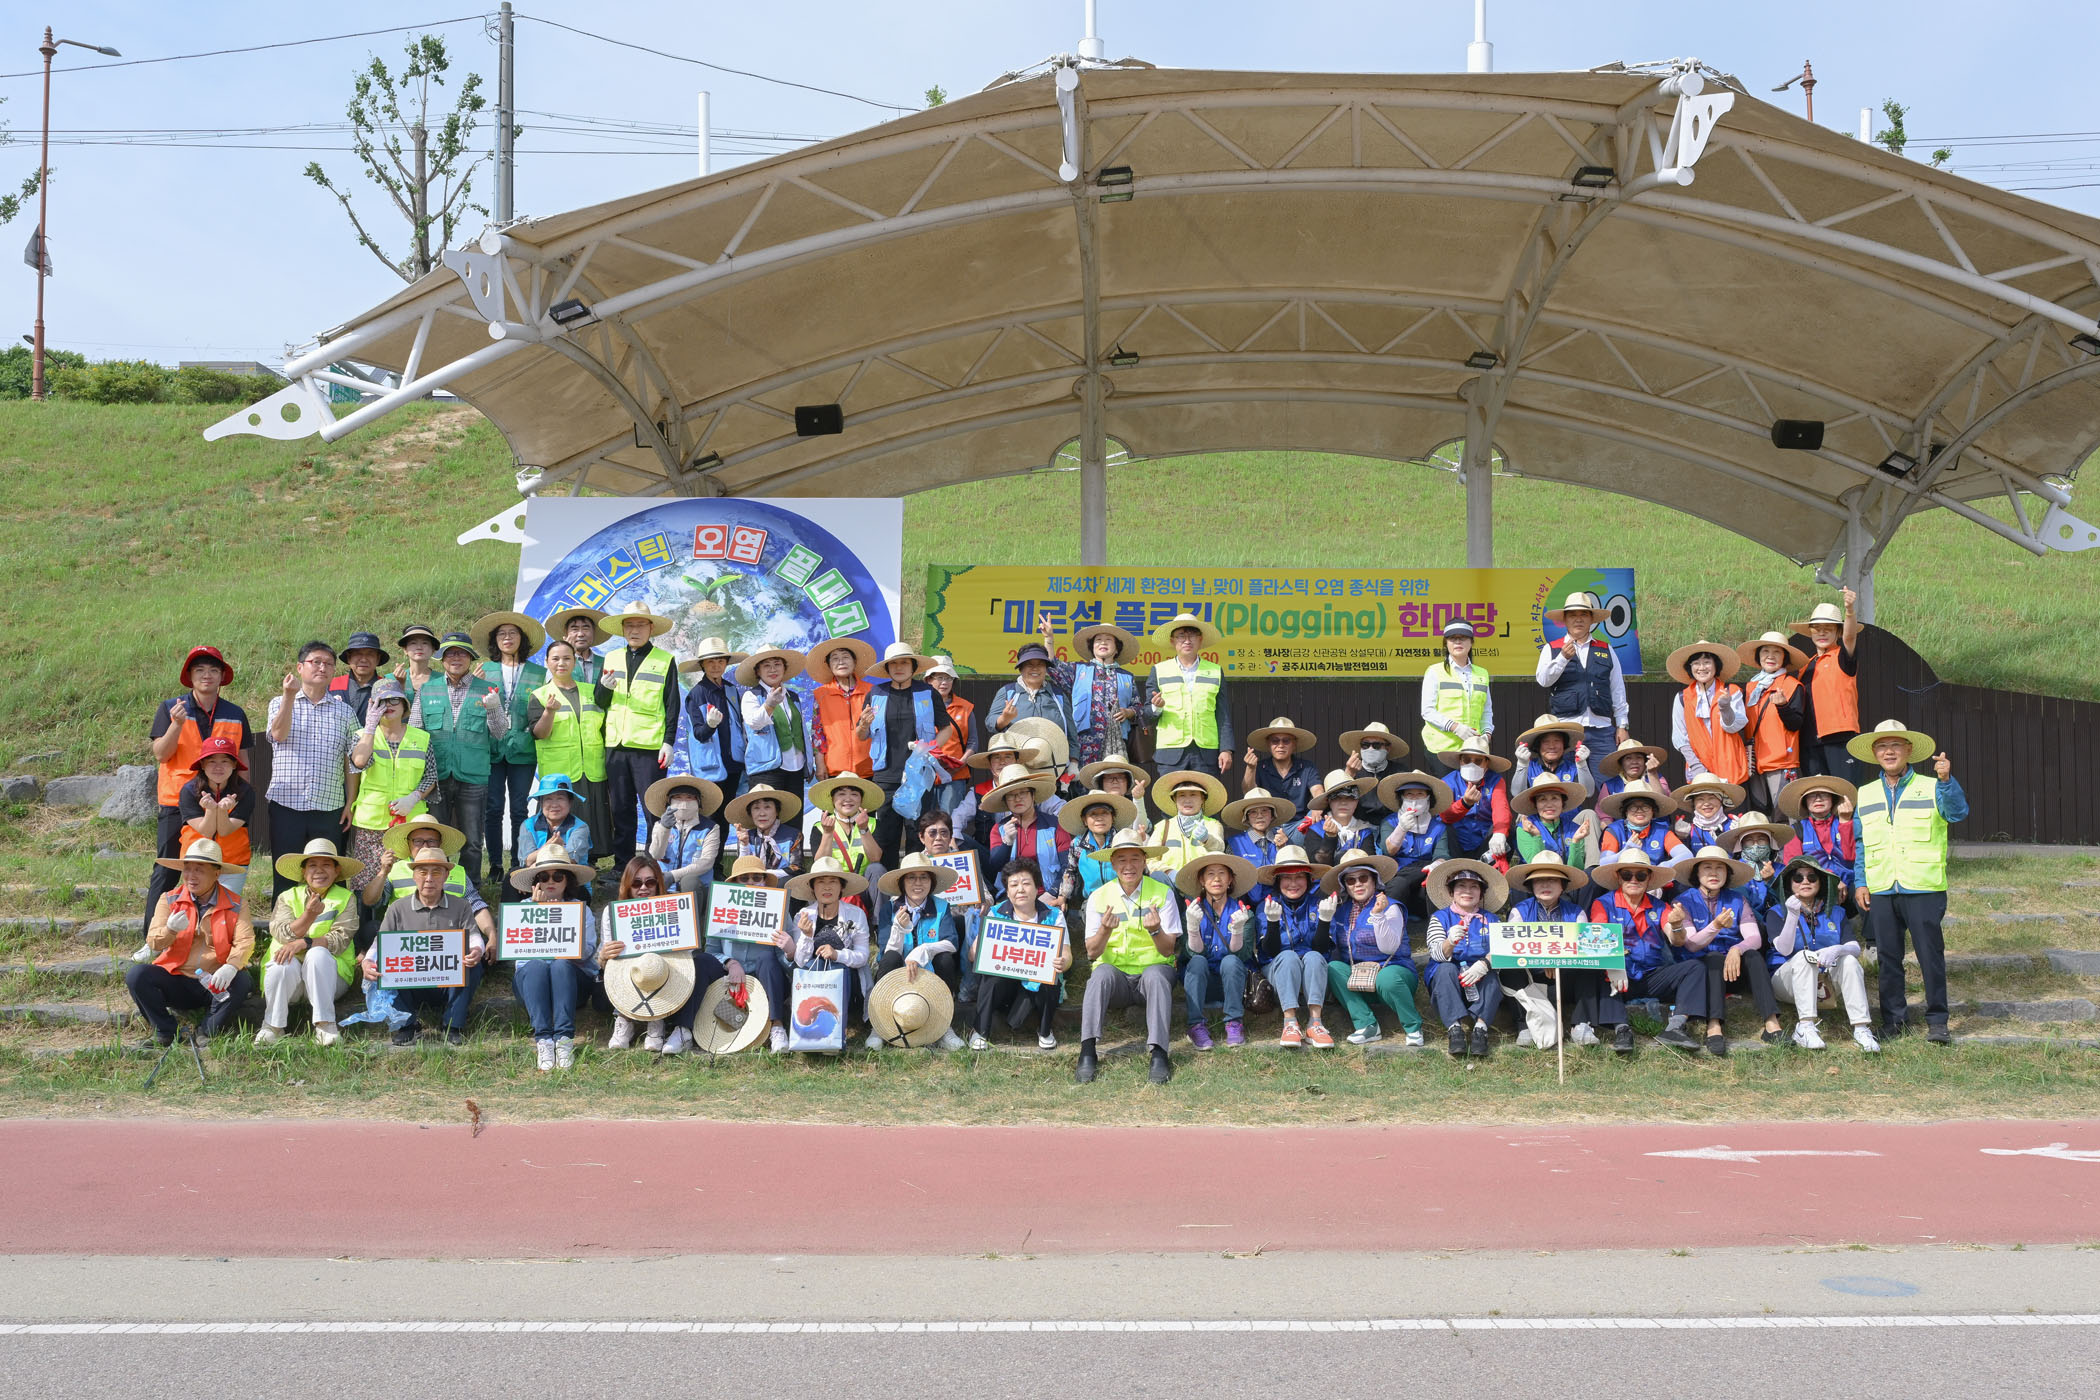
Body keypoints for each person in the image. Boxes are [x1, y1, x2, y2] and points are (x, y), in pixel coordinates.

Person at [1849, 719, 1966, 1044]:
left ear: (1908, 750)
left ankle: (1938, 1022)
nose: (1889, 752)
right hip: (1881, 887)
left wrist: (1946, 780)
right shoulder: (1865, 793)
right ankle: (1894, 1021)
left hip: (1923, 886)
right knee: (1888, 958)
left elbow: (1957, 813)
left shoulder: (1932, 785)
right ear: (1875, 753)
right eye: (1882, 747)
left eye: (1895, 746)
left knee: (1930, 955)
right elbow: (1861, 842)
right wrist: (1861, 881)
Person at [144, 645, 254, 935]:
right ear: (189, 676)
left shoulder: (235, 713)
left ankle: (213, 935)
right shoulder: (171, 707)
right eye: (200, 670)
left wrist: (240, 798)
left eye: (213, 670)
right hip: (176, 801)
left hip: (221, 803)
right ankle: (152, 935)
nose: (207, 675)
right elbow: (161, 754)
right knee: (168, 870)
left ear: (222, 676)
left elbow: (242, 762)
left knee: (218, 866)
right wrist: (176, 725)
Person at [598, 853, 733, 1056]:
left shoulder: (676, 906)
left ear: (658, 883)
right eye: (636, 883)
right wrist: (603, 957)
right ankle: (625, 1018)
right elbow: (603, 964)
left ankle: (665, 1023)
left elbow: (687, 956)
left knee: (697, 961)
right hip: (631, 975)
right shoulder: (612, 913)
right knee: (629, 962)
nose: (644, 888)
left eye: (650, 882)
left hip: (671, 974)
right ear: (627, 884)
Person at [1077, 827, 1183, 1085]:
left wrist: (1155, 930)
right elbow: (1092, 952)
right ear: (1113, 864)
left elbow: (1168, 950)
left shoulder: (1163, 893)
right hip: (1117, 978)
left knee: (1156, 976)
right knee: (1099, 976)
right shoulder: (1098, 897)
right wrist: (1104, 930)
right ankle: (1087, 1051)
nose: (1129, 866)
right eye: (1122, 859)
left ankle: (1159, 1053)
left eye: (1135, 858)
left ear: (1144, 861)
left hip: (1153, 973)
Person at [364, 843, 497, 1047]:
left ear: (446, 876)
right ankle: (407, 1025)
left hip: (448, 982)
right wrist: (367, 961)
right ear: (414, 876)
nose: (429, 879)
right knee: (378, 966)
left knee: (474, 965)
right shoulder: (397, 908)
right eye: (422, 872)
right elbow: (380, 942)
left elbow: (473, 936)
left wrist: (477, 950)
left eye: (436, 872)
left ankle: (452, 1025)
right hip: (409, 983)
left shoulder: (461, 905)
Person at [126, 838, 254, 1048]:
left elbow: (245, 941)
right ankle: (165, 1031)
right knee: (137, 975)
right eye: (187, 869)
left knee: (241, 980)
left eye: (199, 870)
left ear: (216, 873)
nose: (191, 876)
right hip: (176, 978)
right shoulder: (169, 899)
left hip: (214, 980)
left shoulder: (236, 904)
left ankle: (207, 1030)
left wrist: (231, 966)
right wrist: (170, 930)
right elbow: (154, 942)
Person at [1581, 850, 1708, 1054]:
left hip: (1652, 974)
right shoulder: (1603, 904)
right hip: (1618, 975)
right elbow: (1597, 940)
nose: (1634, 880)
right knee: (1599, 972)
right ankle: (1621, 1029)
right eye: (1627, 875)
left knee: (1695, 968)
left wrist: (1677, 925)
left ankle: (1675, 1027)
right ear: (1618, 877)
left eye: (1640, 875)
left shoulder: (1660, 906)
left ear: (1649, 879)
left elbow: (1677, 941)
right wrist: (1613, 965)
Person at [264, 640, 360, 897]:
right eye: (316, 662)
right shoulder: (279, 702)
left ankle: (335, 922)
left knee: (330, 876)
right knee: (285, 876)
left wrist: (350, 802)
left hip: (330, 806)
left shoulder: (345, 712)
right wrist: (288, 696)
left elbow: (352, 762)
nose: (322, 668)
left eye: (329, 664)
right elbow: (278, 734)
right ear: (300, 667)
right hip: (287, 804)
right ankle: (284, 922)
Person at [412, 632, 506, 884]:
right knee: (434, 839)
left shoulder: (487, 690)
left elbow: (499, 732)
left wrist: (493, 709)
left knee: (472, 840)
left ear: (471, 658)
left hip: (473, 776)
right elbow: (415, 732)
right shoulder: (426, 689)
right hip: (436, 776)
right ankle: (435, 887)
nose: (456, 658)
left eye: (462, 653)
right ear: (441, 658)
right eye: (450, 653)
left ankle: (471, 889)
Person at [1671, 844, 1782, 1054]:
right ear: (1696, 873)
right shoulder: (1683, 902)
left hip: (1734, 968)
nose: (1714, 873)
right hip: (1703, 972)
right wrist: (1716, 926)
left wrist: (1736, 949)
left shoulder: (1737, 899)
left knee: (1753, 955)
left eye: (1719, 868)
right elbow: (1691, 944)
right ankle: (1714, 1026)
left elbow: (1754, 938)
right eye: (1707, 868)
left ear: (1727, 873)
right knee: (1714, 958)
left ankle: (1772, 1023)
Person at [256, 838, 362, 1047]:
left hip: (330, 979)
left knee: (317, 953)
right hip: (288, 983)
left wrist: (305, 943)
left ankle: (325, 1025)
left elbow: (340, 940)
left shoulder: (346, 898)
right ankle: (272, 1026)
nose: (319, 871)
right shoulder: (287, 897)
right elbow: (282, 934)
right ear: (304, 872)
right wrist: (308, 916)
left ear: (337, 871)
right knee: (283, 962)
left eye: (326, 865)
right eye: (312, 865)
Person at [1767, 855, 1879, 1052]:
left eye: (1812, 877)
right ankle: (1805, 1027)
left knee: (1849, 961)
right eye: (1798, 878)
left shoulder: (1837, 912)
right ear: (1789, 884)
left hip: (1826, 979)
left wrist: (1838, 949)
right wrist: (1792, 915)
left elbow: (1854, 947)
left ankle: (1861, 1028)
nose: (1805, 882)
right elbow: (1783, 949)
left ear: (1820, 883)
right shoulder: (1776, 912)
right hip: (1787, 981)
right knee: (1803, 957)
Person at [506, 841, 600, 1070]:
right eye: (544, 877)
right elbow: (520, 958)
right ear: (536, 882)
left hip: (572, 982)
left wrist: (564, 947)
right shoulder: (523, 908)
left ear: (568, 880)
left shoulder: (581, 909)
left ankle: (564, 1039)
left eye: (557, 876)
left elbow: (587, 953)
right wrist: (538, 913)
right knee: (536, 965)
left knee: (561, 964)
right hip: (533, 984)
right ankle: (544, 1040)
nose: (550, 882)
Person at [600, 602, 681, 862]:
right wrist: (604, 688)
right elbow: (600, 701)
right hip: (616, 745)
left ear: (651, 628)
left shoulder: (665, 660)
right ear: (623, 629)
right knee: (620, 808)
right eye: (629, 625)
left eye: (640, 625)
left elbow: (672, 705)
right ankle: (623, 864)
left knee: (653, 809)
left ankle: (652, 863)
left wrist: (668, 742)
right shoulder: (611, 658)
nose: (634, 630)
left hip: (649, 748)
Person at [862, 641, 957, 860]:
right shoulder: (876, 693)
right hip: (885, 775)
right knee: (885, 835)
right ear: (887, 668)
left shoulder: (927, 692)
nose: (899, 667)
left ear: (913, 666)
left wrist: (929, 749)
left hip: (919, 775)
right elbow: (861, 735)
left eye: (904, 663)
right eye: (894, 663)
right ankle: (887, 880)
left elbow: (946, 729)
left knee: (918, 833)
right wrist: (863, 726)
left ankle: (917, 877)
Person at [1319, 848, 1417, 1048]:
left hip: (1394, 975)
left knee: (1386, 978)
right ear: (1345, 886)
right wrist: (1324, 920)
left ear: (1374, 880)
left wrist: (1378, 915)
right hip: (1359, 978)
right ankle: (1366, 1024)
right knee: (1333, 968)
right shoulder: (1341, 911)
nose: (1357, 884)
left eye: (1363, 878)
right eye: (1350, 880)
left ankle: (1413, 1027)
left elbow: (1389, 948)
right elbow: (1332, 949)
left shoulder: (1391, 907)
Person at [476, 611, 548, 884]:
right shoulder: (484, 671)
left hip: (523, 749)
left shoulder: (539, 673)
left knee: (519, 808)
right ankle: (495, 864)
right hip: (491, 749)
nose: (507, 638)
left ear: (522, 638)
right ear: (495, 640)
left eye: (513, 633)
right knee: (493, 807)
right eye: (502, 634)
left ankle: (519, 862)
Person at [1532, 591, 1630, 789]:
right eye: (1573, 615)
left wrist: (1622, 725)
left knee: (1608, 787)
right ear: (1565, 620)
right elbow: (1543, 680)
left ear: (1592, 619)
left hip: (1602, 731)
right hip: (1566, 731)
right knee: (1565, 787)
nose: (1578, 619)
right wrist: (1562, 659)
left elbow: (1617, 689)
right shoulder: (1552, 648)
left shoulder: (1606, 649)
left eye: (1583, 614)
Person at [869, 852, 967, 1051]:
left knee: (946, 959)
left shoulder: (941, 906)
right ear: (902, 882)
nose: (918, 883)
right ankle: (878, 1026)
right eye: (911, 877)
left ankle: (944, 1026)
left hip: (929, 971)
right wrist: (898, 928)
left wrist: (924, 950)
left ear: (931, 882)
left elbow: (951, 942)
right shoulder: (889, 908)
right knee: (889, 958)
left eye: (924, 877)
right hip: (898, 970)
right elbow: (887, 949)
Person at [346, 677, 433, 897]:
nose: (389, 705)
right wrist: (369, 727)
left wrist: (414, 797)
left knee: (407, 879)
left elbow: (430, 776)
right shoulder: (362, 736)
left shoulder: (422, 738)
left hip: (409, 822)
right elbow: (359, 762)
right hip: (372, 823)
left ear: (404, 705)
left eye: (395, 700)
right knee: (367, 882)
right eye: (381, 701)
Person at [970, 858, 1070, 1050]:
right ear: (1007, 891)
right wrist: (980, 947)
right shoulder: (996, 913)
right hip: (1006, 983)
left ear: (1037, 887)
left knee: (1050, 974)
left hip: (1036, 982)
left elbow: (1067, 953)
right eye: (1014, 885)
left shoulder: (1053, 915)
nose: (1020, 890)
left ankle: (1045, 1031)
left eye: (1026, 883)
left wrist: (1063, 962)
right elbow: (972, 956)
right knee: (991, 975)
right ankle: (980, 1031)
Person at [527, 639, 613, 861]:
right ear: (547, 662)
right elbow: (539, 733)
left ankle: (590, 863)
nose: (561, 663)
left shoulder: (592, 692)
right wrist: (549, 712)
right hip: (560, 771)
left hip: (592, 767)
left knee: (595, 820)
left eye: (567, 658)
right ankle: (557, 861)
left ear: (574, 662)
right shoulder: (539, 695)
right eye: (555, 659)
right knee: (561, 820)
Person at [706, 854, 794, 1052]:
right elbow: (711, 952)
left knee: (767, 958)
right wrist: (730, 962)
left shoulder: (778, 908)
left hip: (768, 981)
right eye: (744, 878)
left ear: (764, 881)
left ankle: (777, 1026)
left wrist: (790, 952)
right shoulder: (721, 908)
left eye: (757, 878)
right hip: (732, 982)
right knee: (702, 962)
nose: (751, 882)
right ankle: (742, 1027)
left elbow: (787, 963)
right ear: (735, 883)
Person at [1501, 856, 1587, 1049]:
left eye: (1552, 880)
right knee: (1509, 970)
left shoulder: (1576, 913)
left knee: (1589, 969)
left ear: (1563, 885)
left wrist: (1558, 961)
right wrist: (1543, 960)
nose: (1545, 885)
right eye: (1539, 880)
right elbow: (1510, 947)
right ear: (1531, 885)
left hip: (1564, 977)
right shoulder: (1519, 912)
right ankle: (1523, 1025)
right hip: (1531, 977)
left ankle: (1581, 1024)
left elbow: (1584, 948)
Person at [1254, 846, 1337, 1046]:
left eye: (1299, 876)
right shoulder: (1267, 906)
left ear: (1309, 879)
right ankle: (1290, 1022)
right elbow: (1270, 951)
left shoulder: (1320, 904)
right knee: (1288, 957)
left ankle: (1315, 1023)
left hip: (1313, 972)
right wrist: (1272, 922)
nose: (1293, 883)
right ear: (1278, 881)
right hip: (1279, 971)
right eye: (1286, 878)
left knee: (1314, 956)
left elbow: (1321, 949)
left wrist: (1325, 920)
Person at [1176, 851, 1258, 1050]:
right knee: (1197, 962)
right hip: (1200, 983)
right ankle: (1196, 1025)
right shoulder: (1192, 911)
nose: (1216, 879)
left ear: (1230, 880)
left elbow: (1243, 955)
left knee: (1230, 961)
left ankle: (1234, 1022)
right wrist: (1193, 928)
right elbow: (1191, 954)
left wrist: (1237, 931)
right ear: (1202, 880)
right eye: (1210, 874)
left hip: (1234, 984)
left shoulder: (1243, 913)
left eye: (1222, 873)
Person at [1425, 858, 1506, 1058]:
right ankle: (1455, 1029)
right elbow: (1435, 953)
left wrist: (1484, 964)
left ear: (1481, 893)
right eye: (1461, 886)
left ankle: (1480, 1029)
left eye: (1474, 887)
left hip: (1480, 977)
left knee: (1492, 978)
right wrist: (1450, 941)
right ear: (1452, 892)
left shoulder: (1492, 919)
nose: (1467, 891)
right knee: (1445, 969)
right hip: (1450, 978)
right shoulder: (1439, 918)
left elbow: (1503, 950)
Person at [1036, 614, 1140, 769]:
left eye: (1108, 639)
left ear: (1117, 648)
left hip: (1117, 741)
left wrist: (1128, 712)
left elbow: (1138, 707)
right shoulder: (1078, 670)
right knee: (1084, 780)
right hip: (1084, 740)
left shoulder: (1127, 677)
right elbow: (1052, 665)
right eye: (1098, 640)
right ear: (1092, 647)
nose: (1103, 642)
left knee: (1114, 778)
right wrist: (1048, 638)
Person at [787, 856, 873, 1041]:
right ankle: (810, 1027)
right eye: (821, 882)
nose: (827, 887)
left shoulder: (856, 914)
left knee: (838, 967)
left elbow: (863, 956)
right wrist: (807, 936)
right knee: (815, 964)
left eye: (833, 882)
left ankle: (837, 1032)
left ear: (841, 886)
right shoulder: (803, 915)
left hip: (848, 980)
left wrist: (837, 954)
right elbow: (800, 961)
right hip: (813, 979)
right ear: (812, 887)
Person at [1145, 611, 1235, 777]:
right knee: (1169, 795)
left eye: (1192, 635)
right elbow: (1146, 714)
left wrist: (1226, 749)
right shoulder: (1159, 670)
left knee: (1207, 794)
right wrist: (1156, 707)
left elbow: (1223, 714)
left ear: (1200, 639)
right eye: (1181, 636)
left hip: (1206, 752)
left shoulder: (1215, 671)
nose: (1187, 640)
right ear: (1172, 641)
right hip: (1170, 752)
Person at [173, 736, 256, 898]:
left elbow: (225, 831)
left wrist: (222, 811)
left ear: (234, 764)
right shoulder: (189, 791)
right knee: (195, 907)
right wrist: (211, 810)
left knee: (227, 908)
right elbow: (206, 831)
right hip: (196, 861)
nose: (218, 767)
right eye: (211, 761)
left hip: (233, 863)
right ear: (202, 764)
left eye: (225, 761)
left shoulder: (245, 791)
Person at [1795, 589, 1865, 782]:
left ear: (1838, 631)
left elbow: (1850, 638)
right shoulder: (1805, 666)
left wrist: (1849, 610)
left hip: (1840, 737)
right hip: (1810, 742)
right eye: (1817, 628)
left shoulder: (1842, 656)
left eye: (1829, 628)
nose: (1822, 632)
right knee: (1817, 794)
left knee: (1845, 793)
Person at [1736, 629, 1809, 813]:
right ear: (1758, 656)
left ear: (1785, 658)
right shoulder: (1751, 687)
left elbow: (1796, 724)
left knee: (1785, 815)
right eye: (1765, 651)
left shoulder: (1792, 686)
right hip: (1754, 762)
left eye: (1777, 652)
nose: (1770, 656)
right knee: (1760, 816)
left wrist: (1783, 706)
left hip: (1782, 763)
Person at [983, 763, 1072, 898]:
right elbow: (995, 867)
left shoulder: (1054, 825)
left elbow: (1068, 866)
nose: (1017, 799)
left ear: (1033, 795)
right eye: (1011, 795)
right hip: (1011, 898)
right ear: (1005, 801)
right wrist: (1007, 842)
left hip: (1049, 896)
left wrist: (1053, 893)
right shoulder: (999, 829)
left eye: (1023, 793)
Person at [1668, 639, 1749, 785]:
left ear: (1716, 665)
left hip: (1731, 765)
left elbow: (1734, 727)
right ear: (1690, 667)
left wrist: (1725, 707)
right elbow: (1680, 738)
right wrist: (1697, 767)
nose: (1702, 667)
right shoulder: (1682, 698)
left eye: (1707, 662)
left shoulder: (1732, 691)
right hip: (1698, 768)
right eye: (1696, 663)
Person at [1377, 769, 1454, 919]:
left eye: (1420, 794)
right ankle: (1388, 922)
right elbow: (1388, 851)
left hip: (1425, 876)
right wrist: (1401, 828)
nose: (1414, 799)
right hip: (1398, 875)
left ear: (1428, 798)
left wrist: (1435, 865)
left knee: (1434, 883)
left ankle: (1436, 924)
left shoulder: (1438, 827)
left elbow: (1442, 854)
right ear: (1401, 798)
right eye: (1409, 794)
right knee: (1399, 884)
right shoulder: (1390, 822)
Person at [735, 645, 810, 796]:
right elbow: (754, 723)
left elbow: (802, 731)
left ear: (784, 668)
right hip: (766, 770)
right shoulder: (751, 696)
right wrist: (769, 705)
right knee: (768, 810)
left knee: (794, 811)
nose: (773, 670)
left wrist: (809, 763)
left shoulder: (792, 696)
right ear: (758, 671)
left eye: (777, 664)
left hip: (796, 767)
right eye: (766, 666)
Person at [1419, 617, 1493, 771]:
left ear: (1471, 642)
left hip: (1473, 748)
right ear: (1446, 643)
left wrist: (1487, 735)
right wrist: (1455, 727)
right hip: (1442, 750)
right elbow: (1427, 711)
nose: (1458, 642)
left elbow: (1486, 711)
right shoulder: (1434, 671)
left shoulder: (1482, 674)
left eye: (1463, 638)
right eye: (1453, 638)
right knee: (1447, 787)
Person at [1778, 775, 1861, 907]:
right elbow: (1793, 866)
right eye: (1812, 795)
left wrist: (1845, 823)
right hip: (1816, 886)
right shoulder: (1797, 830)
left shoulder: (1846, 822)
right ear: (1804, 801)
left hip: (1852, 883)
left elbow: (1852, 857)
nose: (1818, 799)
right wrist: (1832, 880)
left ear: (1833, 799)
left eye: (1824, 794)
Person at [679, 636, 746, 798]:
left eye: (721, 661)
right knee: (713, 812)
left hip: (735, 764)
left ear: (726, 663)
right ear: (702, 664)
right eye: (710, 661)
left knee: (731, 809)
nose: (716, 666)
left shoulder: (731, 690)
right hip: (711, 768)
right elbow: (699, 734)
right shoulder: (696, 694)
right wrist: (710, 725)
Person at [808, 635, 878, 783]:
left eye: (845, 657)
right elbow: (817, 733)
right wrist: (819, 764)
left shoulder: (872, 692)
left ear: (855, 661)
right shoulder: (821, 694)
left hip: (870, 767)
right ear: (829, 665)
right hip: (834, 768)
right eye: (835, 658)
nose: (841, 662)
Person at [990, 642, 1077, 757]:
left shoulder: (1058, 695)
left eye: (1040, 664)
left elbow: (1071, 733)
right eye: (1029, 665)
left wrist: (1073, 761)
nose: (1035, 668)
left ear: (1046, 669)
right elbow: (990, 722)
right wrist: (1004, 719)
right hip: (1016, 761)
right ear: (1021, 668)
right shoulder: (1008, 692)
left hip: (1054, 762)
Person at [1439, 737, 1512, 867]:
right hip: (1456, 842)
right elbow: (1445, 816)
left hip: (1485, 843)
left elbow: (1501, 808)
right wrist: (1464, 803)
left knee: (1507, 830)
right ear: (1460, 761)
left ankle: (1493, 870)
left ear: (1486, 764)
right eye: (1467, 760)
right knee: (1443, 827)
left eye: (1478, 761)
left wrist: (1499, 833)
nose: (1472, 764)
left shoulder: (1495, 780)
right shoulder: (1448, 781)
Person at [645, 775, 723, 895]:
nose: (683, 803)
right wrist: (664, 829)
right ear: (669, 802)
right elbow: (656, 854)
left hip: (698, 888)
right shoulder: (659, 825)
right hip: (665, 886)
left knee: (689, 881)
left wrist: (673, 876)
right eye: (678, 797)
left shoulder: (710, 828)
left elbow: (706, 862)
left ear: (698, 802)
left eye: (689, 797)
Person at [807, 772, 884, 891]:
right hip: (834, 884)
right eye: (841, 794)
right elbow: (820, 863)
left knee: (876, 869)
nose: (848, 799)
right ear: (832, 799)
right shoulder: (820, 827)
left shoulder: (873, 824)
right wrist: (827, 833)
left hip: (864, 885)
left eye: (854, 794)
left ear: (861, 799)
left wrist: (864, 829)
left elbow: (875, 858)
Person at [921, 655, 979, 814]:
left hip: (955, 775)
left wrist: (961, 763)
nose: (944, 682)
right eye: (939, 677)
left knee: (949, 820)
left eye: (948, 678)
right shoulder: (918, 706)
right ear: (928, 680)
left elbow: (973, 741)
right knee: (924, 821)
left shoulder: (965, 707)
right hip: (924, 775)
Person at [1222, 786, 1296, 905]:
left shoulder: (1284, 840)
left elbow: (1292, 877)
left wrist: (1283, 849)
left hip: (1280, 904)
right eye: (1253, 812)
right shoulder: (1234, 844)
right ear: (1246, 818)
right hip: (1243, 906)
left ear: (1272, 815)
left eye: (1264, 811)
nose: (1259, 816)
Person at [1149, 770, 1226, 882]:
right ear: (1175, 799)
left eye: (1193, 795)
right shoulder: (1163, 826)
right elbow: (1150, 860)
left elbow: (1220, 849)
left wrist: (1207, 839)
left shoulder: (1213, 825)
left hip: (1202, 884)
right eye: (1182, 795)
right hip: (1169, 884)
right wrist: (1169, 872)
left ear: (1203, 798)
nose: (1187, 800)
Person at [722, 782, 805, 883]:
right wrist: (744, 845)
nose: (762, 813)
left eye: (767, 807)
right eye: (756, 808)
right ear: (750, 813)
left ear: (777, 811)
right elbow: (741, 871)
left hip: (782, 886)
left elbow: (796, 869)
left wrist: (765, 875)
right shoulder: (746, 836)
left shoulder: (793, 835)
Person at [1595, 783, 1692, 868]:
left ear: (1653, 811)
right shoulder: (1614, 830)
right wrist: (1623, 852)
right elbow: (1603, 863)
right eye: (1633, 807)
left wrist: (1663, 867)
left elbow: (1686, 855)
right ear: (1626, 811)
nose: (1639, 811)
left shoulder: (1662, 831)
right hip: (1625, 879)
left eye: (1645, 807)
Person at [1241, 716, 1322, 812]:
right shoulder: (1259, 767)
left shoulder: (1307, 767)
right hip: (1269, 819)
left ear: (1294, 744)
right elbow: (1248, 793)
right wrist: (1250, 768)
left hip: (1301, 819)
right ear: (1268, 744)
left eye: (1286, 741)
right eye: (1275, 741)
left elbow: (1317, 790)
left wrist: (1317, 807)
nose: (1281, 745)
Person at [1296, 769, 1377, 865]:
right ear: (1328, 801)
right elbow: (1317, 864)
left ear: (1357, 801)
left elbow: (1369, 864)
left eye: (1350, 797)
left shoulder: (1364, 831)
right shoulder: (1316, 829)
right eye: (1337, 797)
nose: (1343, 802)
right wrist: (1330, 837)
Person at [1337, 721, 1410, 827]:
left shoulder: (1400, 771)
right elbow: (1336, 802)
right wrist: (1349, 775)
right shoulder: (1349, 770)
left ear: (1388, 748)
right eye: (1365, 745)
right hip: (1358, 825)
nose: (1370, 749)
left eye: (1376, 745)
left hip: (1392, 824)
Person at [517, 773, 592, 869]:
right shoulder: (528, 825)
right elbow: (527, 861)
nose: (554, 805)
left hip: (568, 874)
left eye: (560, 798)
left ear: (570, 802)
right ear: (541, 803)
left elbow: (571, 860)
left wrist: (540, 855)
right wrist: (548, 847)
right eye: (548, 799)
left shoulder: (580, 827)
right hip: (535, 874)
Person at [1510, 715, 1590, 801]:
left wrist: (1582, 764)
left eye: (1557, 741)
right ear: (1538, 746)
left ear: (1564, 744)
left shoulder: (1573, 768)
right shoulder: (1529, 767)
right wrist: (1522, 764)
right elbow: (1517, 794)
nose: (1552, 746)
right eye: (1546, 742)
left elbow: (1588, 793)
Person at [329, 632, 389, 725]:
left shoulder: (387, 688)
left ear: (378, 659)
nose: (363, 659)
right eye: (357, 654)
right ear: (349, 658)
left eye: (370, 654)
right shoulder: (331, 685)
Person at [1672, 777, 1746, 851]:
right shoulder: (1689, 831)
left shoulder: (1733, 826)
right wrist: (1681, 838)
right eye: (1700, 799)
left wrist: (1739, 835)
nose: (1706, 803)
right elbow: (1683, 856)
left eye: (1712, 798)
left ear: (1722, 801)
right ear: (1693, 804)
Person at [1595, 738, 1674, 805]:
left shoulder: (1658, 778)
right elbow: (1604, 815)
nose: (1634, 762)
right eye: (1628, 758)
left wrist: (1653, 774)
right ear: (1621, 764)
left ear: (1645, 761)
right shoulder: (1609, 786)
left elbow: (1664, 804)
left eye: (1639, 757)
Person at [546, 606, 608, 686]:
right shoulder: (557, 662)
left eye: (585, 629)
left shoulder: (605, 663)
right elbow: (552, 687)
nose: (580, 634)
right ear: (566, 633)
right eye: (574, 629)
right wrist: (567, 652)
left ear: (593, 632)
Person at [393, 624, 440, 693]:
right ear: (405, 650)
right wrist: (400, 684)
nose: (419, 647)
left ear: (433, 649)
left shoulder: (443, 680)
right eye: (413, 643)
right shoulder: (391, 679)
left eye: (425, 643)